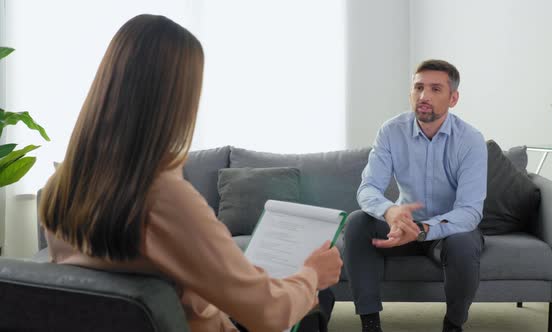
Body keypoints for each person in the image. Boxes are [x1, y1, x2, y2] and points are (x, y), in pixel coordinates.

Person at [39, 14, 342, 332]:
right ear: (177, 99)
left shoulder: (63, 186)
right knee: (320, 296)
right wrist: (311, 275)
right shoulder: (163, 196)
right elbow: (269, 315)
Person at [344, 59, 487, 332]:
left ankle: (453, 324)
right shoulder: (391, 131)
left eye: (435, 89)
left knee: (464, 244)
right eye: (418, 87)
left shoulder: (470, 140)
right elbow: (368, 188)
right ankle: (370, 323)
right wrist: (390, 211)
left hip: (447, 231)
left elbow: (469, 211)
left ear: (453, 98)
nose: (424, 96)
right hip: (401, 226)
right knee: (357, 222)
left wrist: (422, 229)